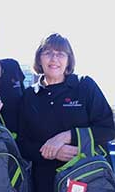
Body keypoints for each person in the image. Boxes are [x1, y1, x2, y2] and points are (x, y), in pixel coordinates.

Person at [17, 33, 115, 192]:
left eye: (60, 53)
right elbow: (22, 144)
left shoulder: (84, 86)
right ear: (39, 59)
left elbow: (109, 130)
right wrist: (53, 152)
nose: (54, 59)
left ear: (69, 60)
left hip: (88, 179)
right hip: (45, 182)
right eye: (48, 53)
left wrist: (67, 136)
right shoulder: (29, 96)